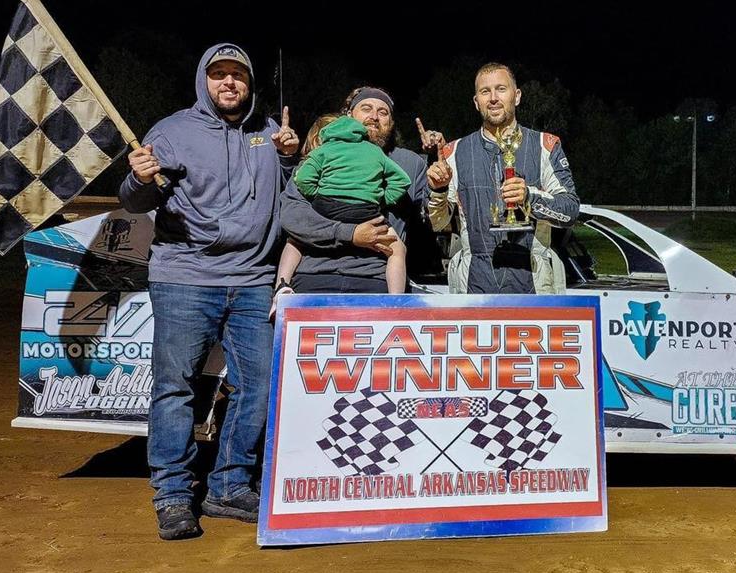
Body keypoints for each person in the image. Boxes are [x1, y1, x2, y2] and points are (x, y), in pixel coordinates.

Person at [119, 43, 300, 541]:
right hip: (186, 277)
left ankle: (228, 485)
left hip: (253, 279)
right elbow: (135, 199)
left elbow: (288, 195)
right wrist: (138, 179)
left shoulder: (269, 132)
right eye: (218, 74)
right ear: (204, 80)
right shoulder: (173, 131)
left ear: (249, 82)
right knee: (175, 388)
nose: (228, 83)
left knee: (260, 385)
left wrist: (289, 159)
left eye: (237, 75)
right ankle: (173, 494)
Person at [425, 62, 579, 293]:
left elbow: (570, 211)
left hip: (533, 282)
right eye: (485, 91)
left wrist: (529, 198)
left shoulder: (545, 145)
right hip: (473, 283)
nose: (493, 98)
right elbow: (438, 223)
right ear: (476, 102)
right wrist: (438, 190)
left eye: (501, 89)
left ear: (516, 96)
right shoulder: (453, 152)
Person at [278, 87, 430, 294]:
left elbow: (428, 222)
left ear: (392, 122)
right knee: (293, 241)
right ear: (349, 115)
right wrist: (351, 233)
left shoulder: (409, 162)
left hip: (374, 278)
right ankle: (281, 291)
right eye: (366, 108)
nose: (374, 116)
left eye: (383, 112)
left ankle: (396, 305)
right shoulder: (322, 153)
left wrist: (438, 185)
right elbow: (292, 216)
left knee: (397, 250)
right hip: (314, 275)